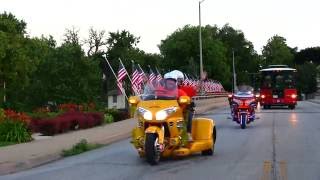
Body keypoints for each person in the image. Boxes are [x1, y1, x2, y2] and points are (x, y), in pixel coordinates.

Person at [164, 70, 196, 141]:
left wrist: (187, 101)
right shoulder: (161, 91)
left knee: (188, 113)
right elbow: (154, 97)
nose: (169, 84)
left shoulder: (182, 90)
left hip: (180, 110)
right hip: (167, 111)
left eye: (180, 81)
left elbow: (191, 93)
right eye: (167, 82)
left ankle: (188, 133)